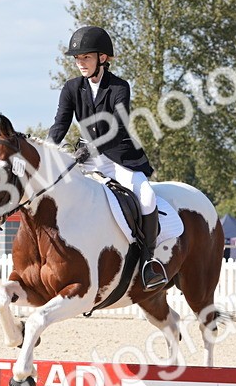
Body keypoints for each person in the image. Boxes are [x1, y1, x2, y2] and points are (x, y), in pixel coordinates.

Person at [48, 25, 166, 290]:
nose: (80, 63)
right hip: (85, 159)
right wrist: (48, 150)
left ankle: (148, 261)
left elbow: (118, 127)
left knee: (147, 197)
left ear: (102, 58)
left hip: (118, 157)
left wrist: (90, 148)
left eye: (86, 57)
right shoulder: (71, 88)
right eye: (77, 59)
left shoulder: (119, 87)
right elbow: (60, 124)